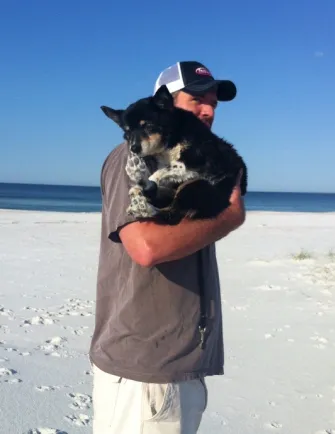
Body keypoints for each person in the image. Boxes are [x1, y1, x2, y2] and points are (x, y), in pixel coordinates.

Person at [89, 60, 246, 434]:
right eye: (195, 100)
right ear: (163, 104)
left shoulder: (190, 159)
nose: (208, 110)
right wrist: (229, 216)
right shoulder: (135, 157)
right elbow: (145, 247)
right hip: (146, 369)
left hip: (177, 363)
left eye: (214, 103)